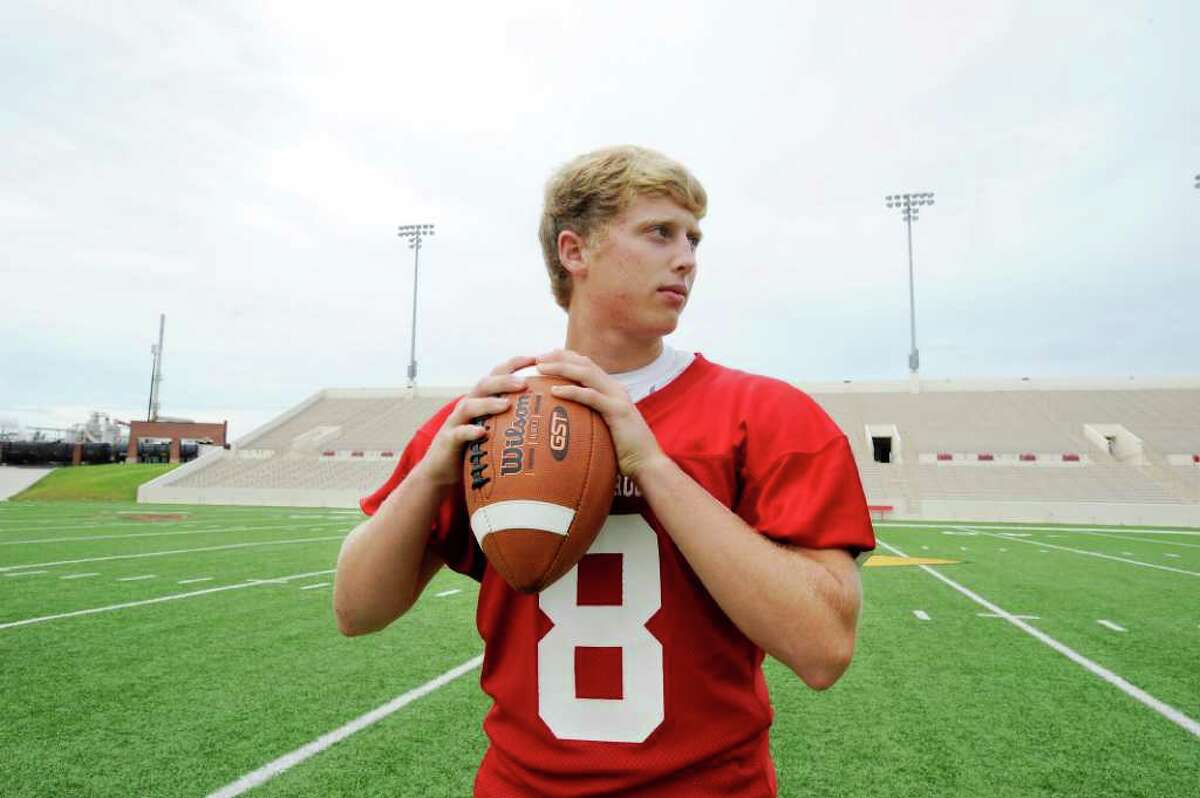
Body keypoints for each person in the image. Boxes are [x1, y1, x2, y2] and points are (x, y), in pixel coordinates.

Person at [333, 145, 876, 797]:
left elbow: (823, 650)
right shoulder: (492, 415)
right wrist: (430, 479)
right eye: (659, 232)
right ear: (575, 252)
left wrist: (650, 463)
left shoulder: (766, 414)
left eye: (693, 239)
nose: (687, 259)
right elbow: (356, 610)